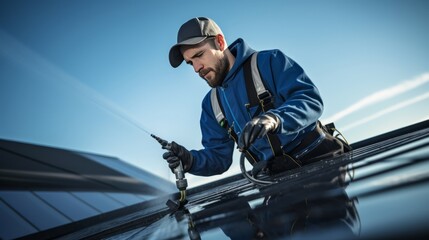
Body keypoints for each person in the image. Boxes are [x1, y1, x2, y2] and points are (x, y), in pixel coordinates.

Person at [163, 17, 349, 177]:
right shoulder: (211, 105)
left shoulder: (269, 61)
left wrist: (275, 119)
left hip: (321, 161)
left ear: (220, 42)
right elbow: (219, 158)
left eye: (199, 55)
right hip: (276, 180)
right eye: (190, 63)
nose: (197, 68)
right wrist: (191, 162)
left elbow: (310, 101)